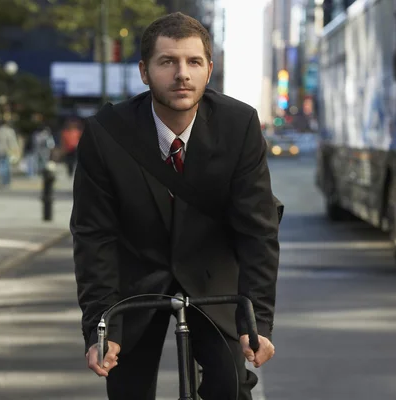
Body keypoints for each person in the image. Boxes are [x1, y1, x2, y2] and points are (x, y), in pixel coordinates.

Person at [70, 12, 280, 400]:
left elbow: (258, 230)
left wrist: (257, 321)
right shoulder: (105, 134)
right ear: (144, 72)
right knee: (127, 388)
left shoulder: (239, 124)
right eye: (167, 62)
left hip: (212, 273)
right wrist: (101, 328)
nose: (182, 74)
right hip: (134, 280)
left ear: (209, 69)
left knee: (229, 385)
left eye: (193, 62)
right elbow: (93, 237)